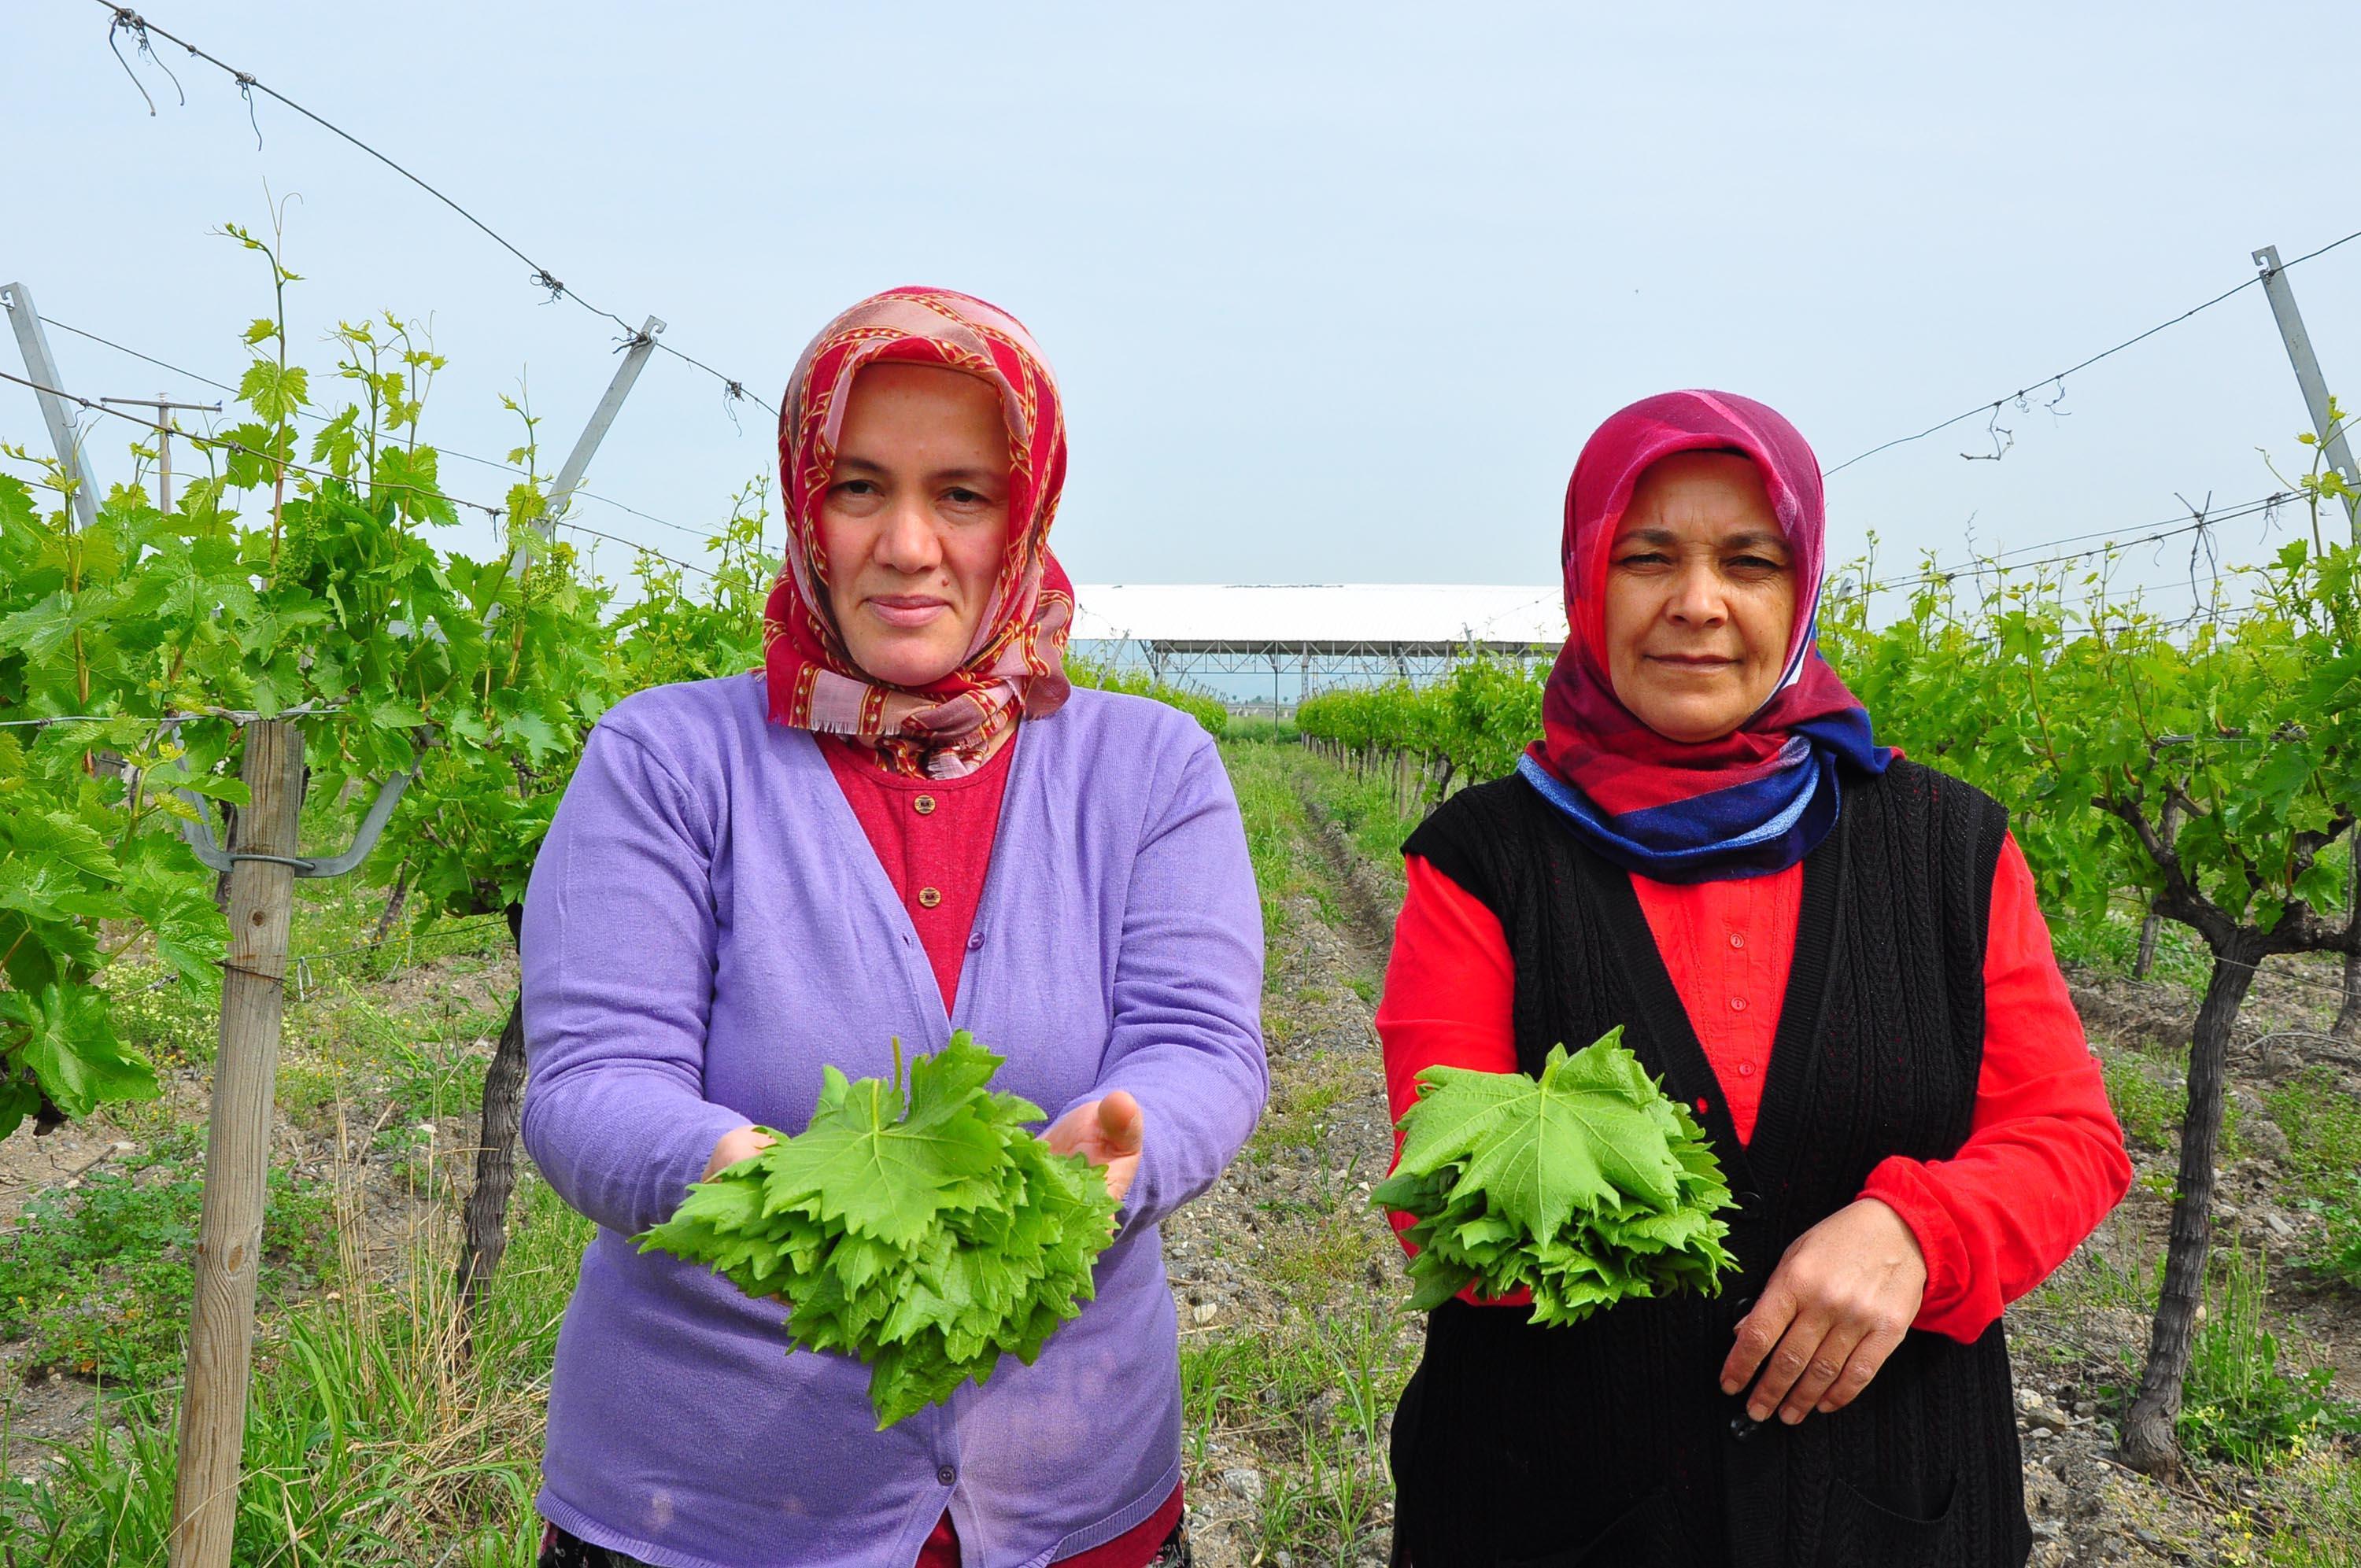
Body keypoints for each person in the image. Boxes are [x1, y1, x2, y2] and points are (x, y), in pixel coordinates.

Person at [520, 286, 1266, 1568]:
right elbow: (588, 1082)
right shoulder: (665, 756)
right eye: (859, 488)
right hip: (701, 1507)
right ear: (806, 503)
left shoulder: (1152, 768)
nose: (908, 543)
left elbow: (1203, 1045)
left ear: (1023, 511)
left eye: (963, 495)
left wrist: (1127, 1147)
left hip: (1071, 1492)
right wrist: (741, 1179)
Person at [1374, 390, 2132, 1568]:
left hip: (1892, 1511)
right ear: (1588, 580)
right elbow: (1452, 1207)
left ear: (1802, 587)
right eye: (1648, 557)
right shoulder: (1484, 860)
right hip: (1553, 1510)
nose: (1698, 602)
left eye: (1749, 559)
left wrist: (1919, 1232)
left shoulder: (1949, 844)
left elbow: (2070, 1136)